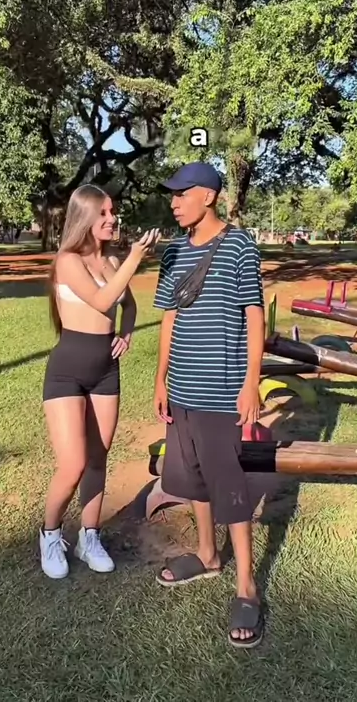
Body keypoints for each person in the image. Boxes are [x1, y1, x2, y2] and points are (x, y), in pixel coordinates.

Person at [153, 162, 265, 648]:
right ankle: (206, 555)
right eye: (172, 194)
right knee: (193, 477)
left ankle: (246, 586)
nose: (174, 202)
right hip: (182, 388)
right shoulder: (174, 252)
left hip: (221, 392)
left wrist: (250, 382)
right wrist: (161, 378)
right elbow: (169, 318)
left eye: (182, 194)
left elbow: (254, 316)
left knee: (229, 485)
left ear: (209, 196)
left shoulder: (239, 246)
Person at [40, 184, 159, 579]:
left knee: (97, 458)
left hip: (106, 371)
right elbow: (103, 300)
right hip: (67, 372)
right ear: (85, 217)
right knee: (73, 463)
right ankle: (50, 534)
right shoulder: (68, 261)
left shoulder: (109, 261)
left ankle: (89, 537)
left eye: (113, 211)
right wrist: (136, 257)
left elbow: (128, 303)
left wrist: (127, 332)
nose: (112, 218)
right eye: (104, 213)